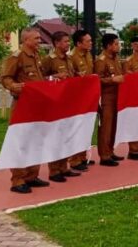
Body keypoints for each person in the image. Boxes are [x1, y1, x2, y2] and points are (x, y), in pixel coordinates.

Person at [0, 28, 50, 193]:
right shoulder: (17, 57)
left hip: (37, 106)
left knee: (35, 141)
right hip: (22, 105)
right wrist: (13, 86)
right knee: (21, 142)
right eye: (36, 38)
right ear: (26, 40)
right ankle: (18, 179)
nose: (39, 40)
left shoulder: (36, 56)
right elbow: (5, 77)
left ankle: (31, 175)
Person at [41, 31, 81, 183]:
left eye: (68, 41)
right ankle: (54, 170)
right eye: (65, 41)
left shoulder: (69, 59)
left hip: (68, 102)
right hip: (55, 102)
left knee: (66, 135)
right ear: (56, 43)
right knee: (55, 136)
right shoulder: (49, 60)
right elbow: (41, 79)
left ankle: (64, 166)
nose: (68, 44)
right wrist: (54, 77)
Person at [94, 33, 125, 167]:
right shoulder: (101, 60)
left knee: (114, 126)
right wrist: (112, 79)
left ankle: (110, 151)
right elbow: (96, 80)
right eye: (116, 44)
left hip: (117, 96)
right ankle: (104, 155)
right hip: (106, 97)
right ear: (108, 46)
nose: (119, 46)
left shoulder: (116, 59)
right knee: (106, 126)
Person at [68, 30, 95, 171]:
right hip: (76, 97)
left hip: (88, 96)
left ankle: (83, 156)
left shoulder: (88, 55)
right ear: (79, 43)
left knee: (86, 127)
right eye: (88, 41)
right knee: (76, 128)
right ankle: (74, 160)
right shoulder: (71, 57)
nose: (91, 43)